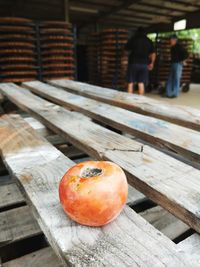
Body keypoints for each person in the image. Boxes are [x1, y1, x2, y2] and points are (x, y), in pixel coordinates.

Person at [125, 27, 156, 95]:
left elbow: (126, 50)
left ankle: (128, 101)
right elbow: (153, 53)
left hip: (133, 63)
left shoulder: (133, 39)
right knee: (141, 82)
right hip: (144, 64)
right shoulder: (149, 41)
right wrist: (152, 63)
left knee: (130, 82)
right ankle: (140, 101)